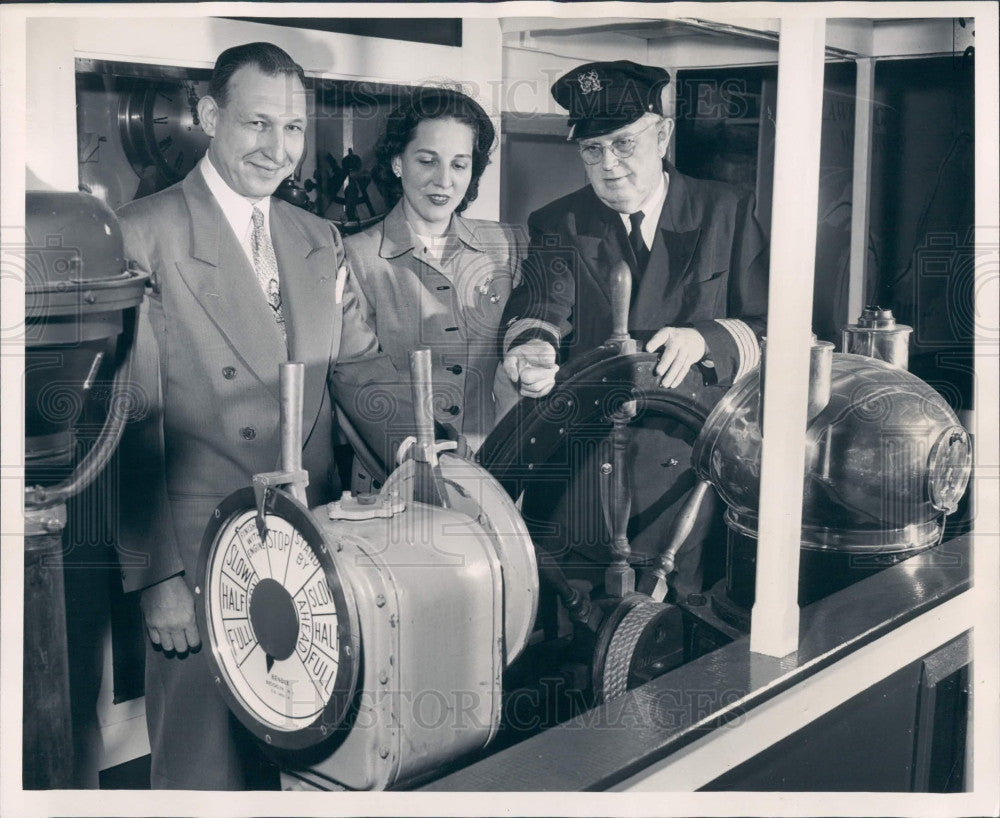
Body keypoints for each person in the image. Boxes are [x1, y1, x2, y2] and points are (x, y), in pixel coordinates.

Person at [115, 42, 414, 790]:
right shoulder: (141, 234)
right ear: (210, 116)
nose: (276, 149)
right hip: (200, 555)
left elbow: (359, 369)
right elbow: (124, 430)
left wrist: (419, 454)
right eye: (256, 124)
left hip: (310, 550)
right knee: (201, 769)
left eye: (292, 130)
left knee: (307, 761)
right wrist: (158, 579)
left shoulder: (316, 237)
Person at [500, 61, 769, 598]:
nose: (608, 164)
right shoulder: (558, 223)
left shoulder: (727, 211)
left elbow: (775, 326)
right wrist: (531, 348)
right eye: (592, 150)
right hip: (579, 480)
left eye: (624, 143)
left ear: (663, 133)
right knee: (570, 648)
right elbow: (540, 306)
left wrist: (706, 339)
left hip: (683, 484)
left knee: (671, 645)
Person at [343, 87, 524, 457]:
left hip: (493, 466)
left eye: (459, 164)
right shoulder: (356, 256)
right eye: (427, 161)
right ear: (398, 162)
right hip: (400, 471)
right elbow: (354, 378)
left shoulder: (507, 243)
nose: (444, 180)